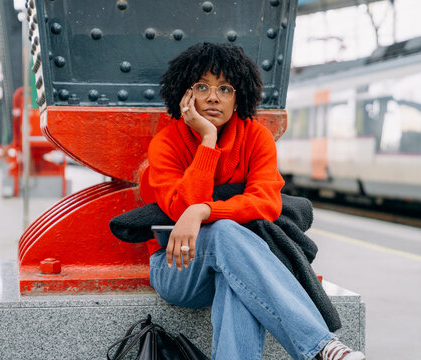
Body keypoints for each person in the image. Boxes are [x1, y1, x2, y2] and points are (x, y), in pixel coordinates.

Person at [139, 42, 365, 360]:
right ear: (185, 94)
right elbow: (180, 207)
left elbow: (265, 203)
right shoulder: (167, 144)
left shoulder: (256, 138)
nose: (213, 96)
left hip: (238, 263)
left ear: (238, 97)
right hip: (178, 267)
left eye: (226, 88)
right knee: (224, 233)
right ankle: (321, 347)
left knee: (237, 286)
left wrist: (204, 210)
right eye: (202, 86)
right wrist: (207, 141)